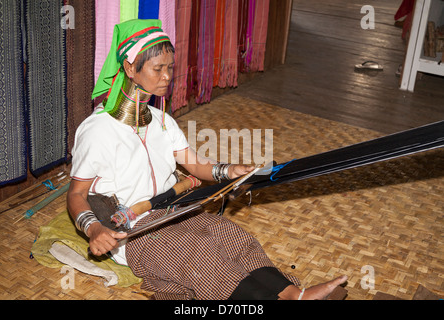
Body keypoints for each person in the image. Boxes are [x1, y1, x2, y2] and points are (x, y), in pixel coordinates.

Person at [67, 19, 347, 300]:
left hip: (172, 209)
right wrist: (93, 228)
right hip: (131, 232)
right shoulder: (98, 130)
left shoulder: (161, 121)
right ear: (130, 68)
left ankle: (294, 294)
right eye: (158, 69)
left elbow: (196, 165)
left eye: (170, 68)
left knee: (228, 233)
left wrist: (230, 170)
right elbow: (77, 194)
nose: (167, 76)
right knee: (199, 253)